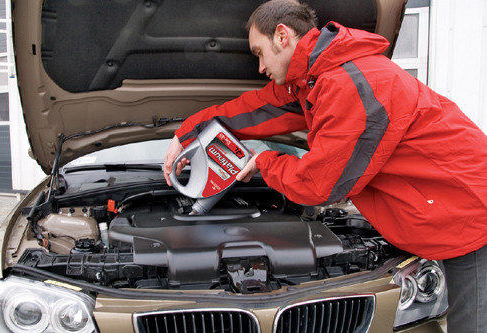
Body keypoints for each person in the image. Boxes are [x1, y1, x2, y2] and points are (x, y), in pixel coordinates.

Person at [163, 0, 487, 331]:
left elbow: (320, 187)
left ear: (282, 36)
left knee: (471, 324)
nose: (259, 67)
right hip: (442, 202)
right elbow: (254, 110)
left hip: (467, 207)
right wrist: (187, 132)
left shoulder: (350, 83)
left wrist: (265, 161)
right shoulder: (314, 81)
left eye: (259, 53)